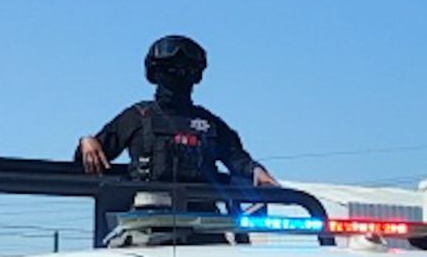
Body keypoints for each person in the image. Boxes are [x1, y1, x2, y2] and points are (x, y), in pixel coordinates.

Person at [76, 36, 277, 186]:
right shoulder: (137, 117)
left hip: (205, 226)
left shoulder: (210, 125)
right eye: (170, 70)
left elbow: (239, 161)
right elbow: (88, 160)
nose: (178, 76)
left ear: (196, 76)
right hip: (147, 225)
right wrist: (86, 141)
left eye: (185, 71)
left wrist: (256, 171)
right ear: (155, 74)